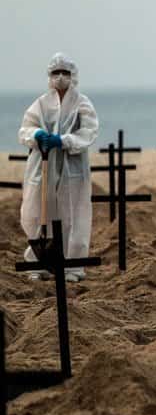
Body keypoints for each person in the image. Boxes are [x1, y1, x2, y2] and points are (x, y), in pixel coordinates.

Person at [18, 53, 100, 281]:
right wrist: (37, 134)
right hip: (42, 165)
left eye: (66, 72)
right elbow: (24, 129)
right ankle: (38, 264)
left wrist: (64, 141)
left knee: (73, 213)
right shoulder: (41, 104)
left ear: (73, 76)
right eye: (56, 72)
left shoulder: (83, 103)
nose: (61, 77)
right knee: (37, 212)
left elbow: (89, 132)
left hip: (72, 168)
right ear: (49, 76)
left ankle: (72, 266)